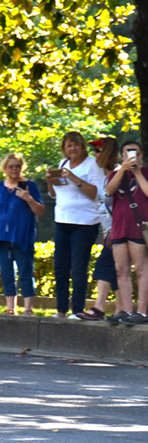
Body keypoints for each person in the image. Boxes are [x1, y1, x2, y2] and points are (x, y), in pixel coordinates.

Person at [47, 131, 105, 318]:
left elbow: (96, 193)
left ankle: (78, 310)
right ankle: (61, 309)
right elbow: (55, 194)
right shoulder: (62, 164)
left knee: (79, 267)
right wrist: (50, 181)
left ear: (82, 147)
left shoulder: (92, 165)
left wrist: (74, 178)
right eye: (68, 145)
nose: (72, 149)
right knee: (60, 267)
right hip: (62, 220)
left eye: (75, 145)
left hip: (85, 222)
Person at [0, 153, 45, 316]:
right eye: (11, 166)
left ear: (22, 167)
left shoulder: (30, 186)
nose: (14, 169)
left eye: (17, 166)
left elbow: (40, 211)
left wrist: (29, 199)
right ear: (5, 168)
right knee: (6, 272)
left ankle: (28, 308)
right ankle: (11, 307)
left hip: (22, 236)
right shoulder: (0, 187)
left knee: (25, 271)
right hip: (2, 237)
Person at [104, 140, 148, 324]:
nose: (132, 156)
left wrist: (137, 172)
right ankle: (127, 311)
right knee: (121, 270)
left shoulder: (145, 173)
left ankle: (142, 311)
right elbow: (109, 191)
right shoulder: (116, 174)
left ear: (141, 156)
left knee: (140, 269)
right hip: (119, 227)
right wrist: (122, 170)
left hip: (139, 226)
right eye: (128, 153)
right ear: (122, 156)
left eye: (136, 153)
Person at [75, 138, 119, 321]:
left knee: (104, 265)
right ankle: (122, 310)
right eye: (93, 150)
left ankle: (99, 308)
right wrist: (105, 231)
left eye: (98, 150)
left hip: (119, 231)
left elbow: (119, 207)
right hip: (110, 231)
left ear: (108, 152)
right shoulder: (104, 175)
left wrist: (113, 230)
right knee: (116, 270)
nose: (94, 154)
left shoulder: (118, 174)